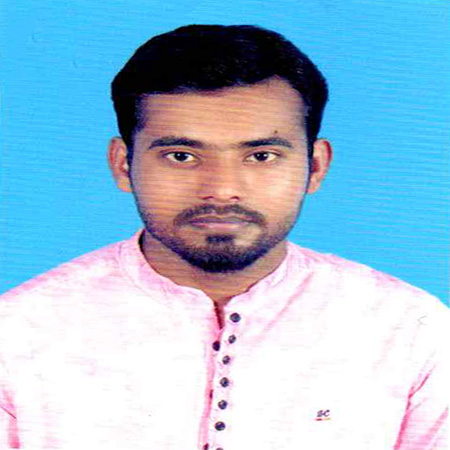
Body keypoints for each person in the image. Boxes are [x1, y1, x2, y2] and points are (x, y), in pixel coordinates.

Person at [0, 25, 447, 450]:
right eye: (181, 155)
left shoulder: (412, 331)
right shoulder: (19, 331)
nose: (222, 188)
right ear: (123, 164)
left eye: (261, 155)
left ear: (315, 166)